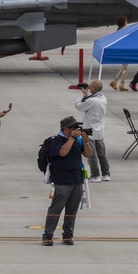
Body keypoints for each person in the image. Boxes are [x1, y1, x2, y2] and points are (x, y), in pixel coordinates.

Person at [43, 116, 93, 246]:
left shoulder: (78, 141)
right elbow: (63, 153)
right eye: (74, 128)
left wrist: (86, 142)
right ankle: (48, 236)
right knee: (56, 209)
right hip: (62, 180)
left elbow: (88, 155)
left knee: (72, 210)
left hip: (76, 179)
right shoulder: (56, 141)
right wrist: (72, 138)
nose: (77, 130)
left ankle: (68, 235)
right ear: (66, 129)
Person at [75, 79, 109, 182]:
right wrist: (87, 96)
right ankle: (106, 174)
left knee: (91, 154)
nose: (88, 88)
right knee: (102, 154)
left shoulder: (92, 100)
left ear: (94, 88)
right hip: (100, 130)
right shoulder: (103, 98)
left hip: (90, 131)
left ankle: (95, 175)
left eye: (90, 86)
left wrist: (83, 96)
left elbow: (79, 106)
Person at [109, 16, 129, 91]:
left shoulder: (118, 31)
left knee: (124, 67)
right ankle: (122, 85)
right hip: (124, 51)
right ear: (124, 23)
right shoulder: (124, 31)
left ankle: (114, 82)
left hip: (121, 51)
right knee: (125, 69)